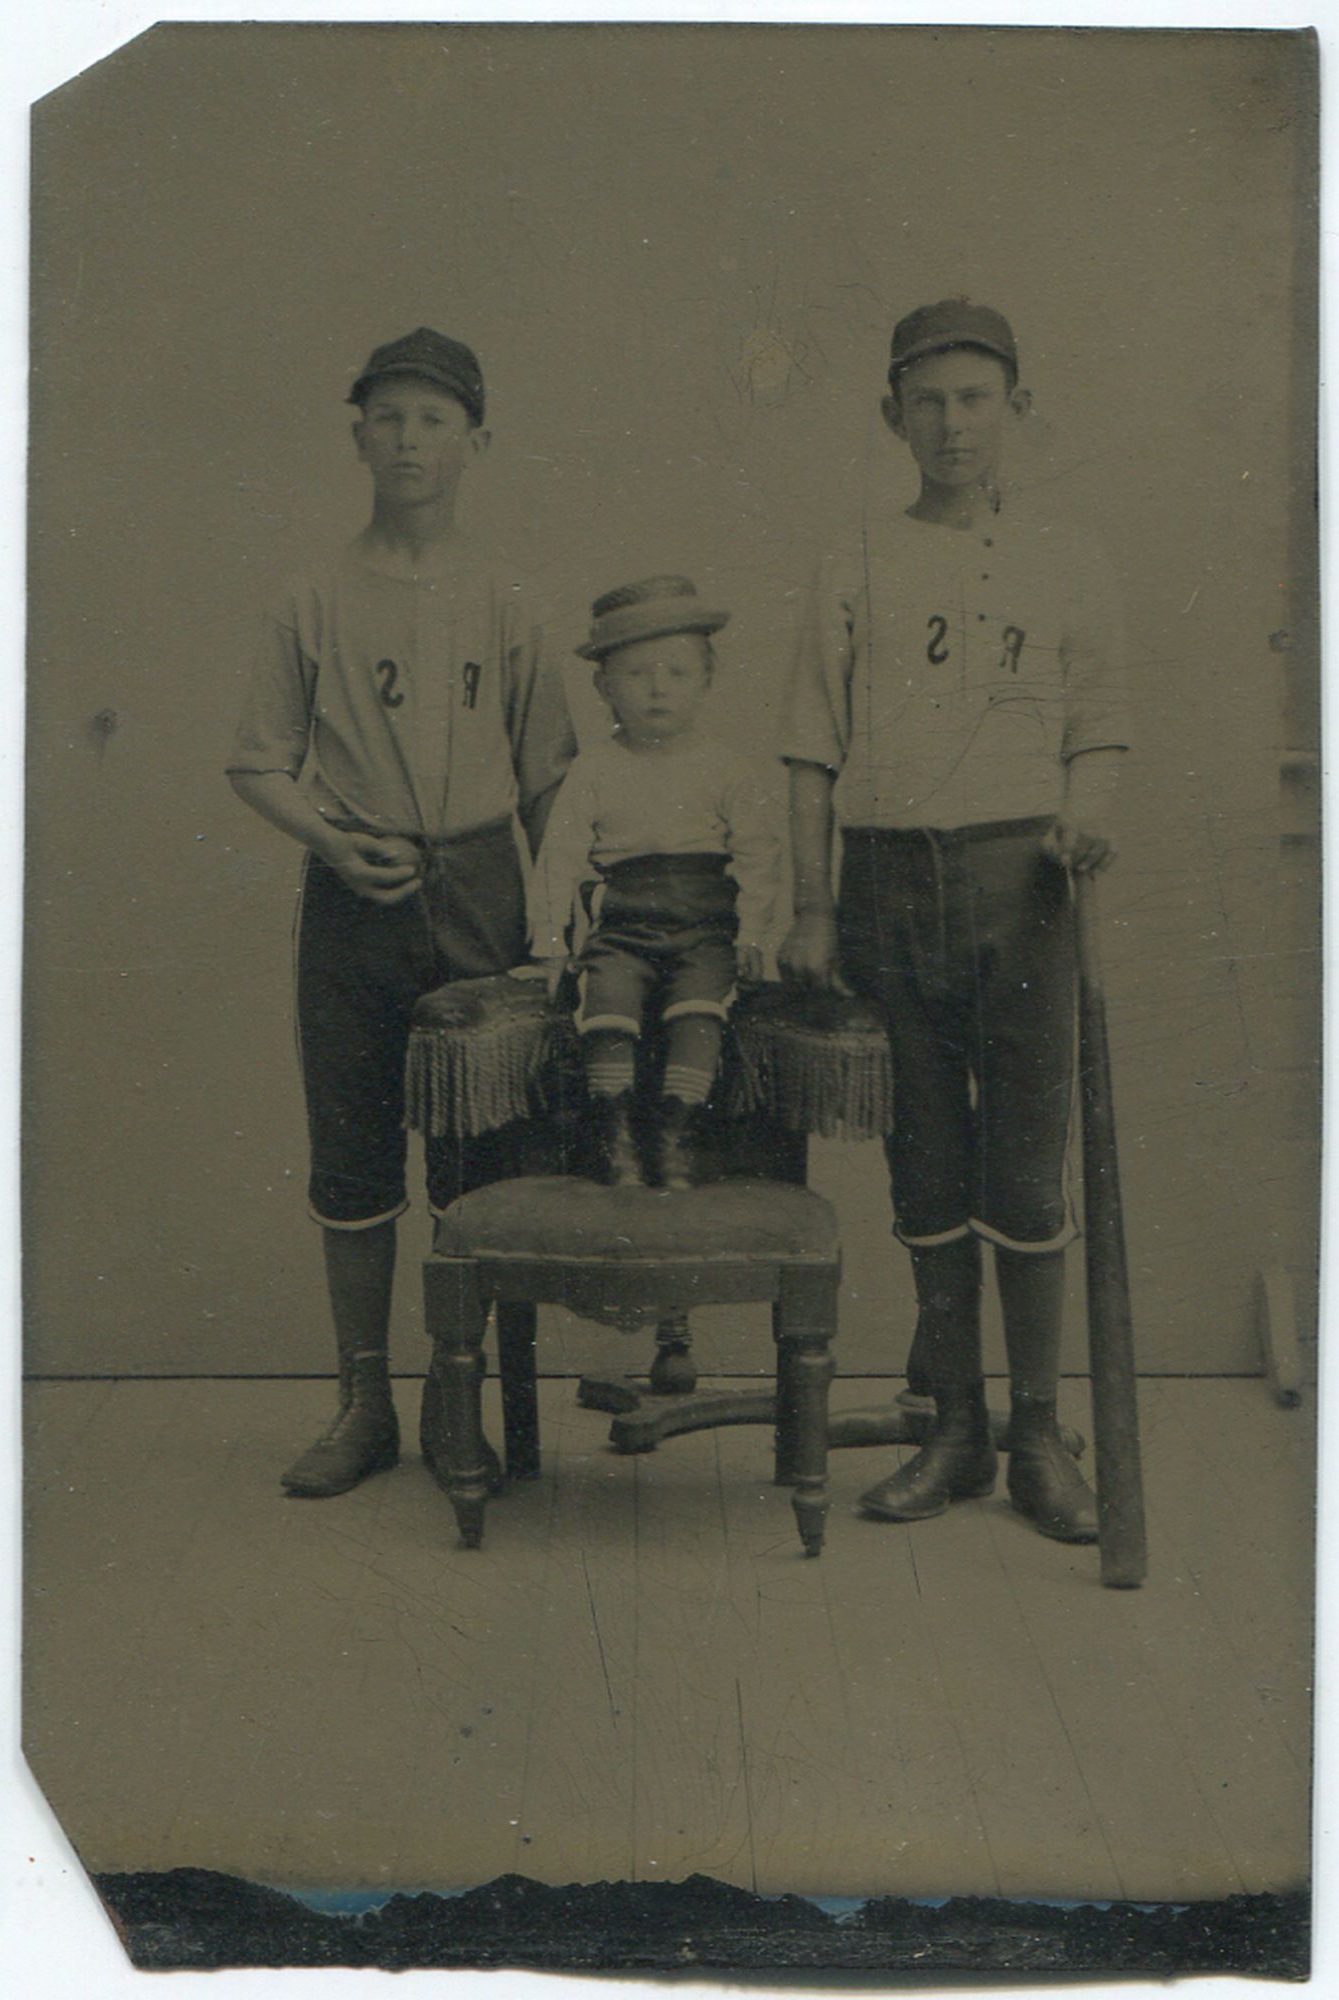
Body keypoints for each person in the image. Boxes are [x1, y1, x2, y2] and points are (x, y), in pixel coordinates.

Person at [778, 299, 1129, 1543]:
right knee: (923, 1169)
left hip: (1022, 892)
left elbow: (1097, 730)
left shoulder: (1069, 559)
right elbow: (812, 752)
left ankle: (1039, 1434)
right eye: (926, 400)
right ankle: (957, 1428)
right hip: (883, 892)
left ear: (1015, 408)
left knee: (1025, 1176)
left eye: (976, 397)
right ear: (891, 415)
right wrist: (813, 907)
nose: (952, 422)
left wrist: (1084, 815)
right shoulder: (851, 564)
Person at [226, 327, 575, 1498]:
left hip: (481, 887)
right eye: (388, 417)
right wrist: (331, 835)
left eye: (434, 419)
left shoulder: (509, 597)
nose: (409, 439)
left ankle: (457, 1398)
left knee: (479, 1162)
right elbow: (259, 760)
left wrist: (550, 929)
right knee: (355, 1155)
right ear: (357, 436)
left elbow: (550, 782)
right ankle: (364, 1400)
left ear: (474, 440)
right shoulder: (311, 594)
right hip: (352, 896)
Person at [529, 576, 780, 1189]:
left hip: (705, 932)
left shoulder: (725, 768)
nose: (658, 688)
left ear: (707, 679)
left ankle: (673, 1136)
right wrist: (551, 944)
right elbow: (558, 858)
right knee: (608, 1009)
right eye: (637, 675)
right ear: (604, 687)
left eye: (677, 672)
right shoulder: (595, 769)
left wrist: (754, 934)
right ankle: (617, 1138)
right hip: (624, 931)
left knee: (699, 1013)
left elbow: (758, 856)